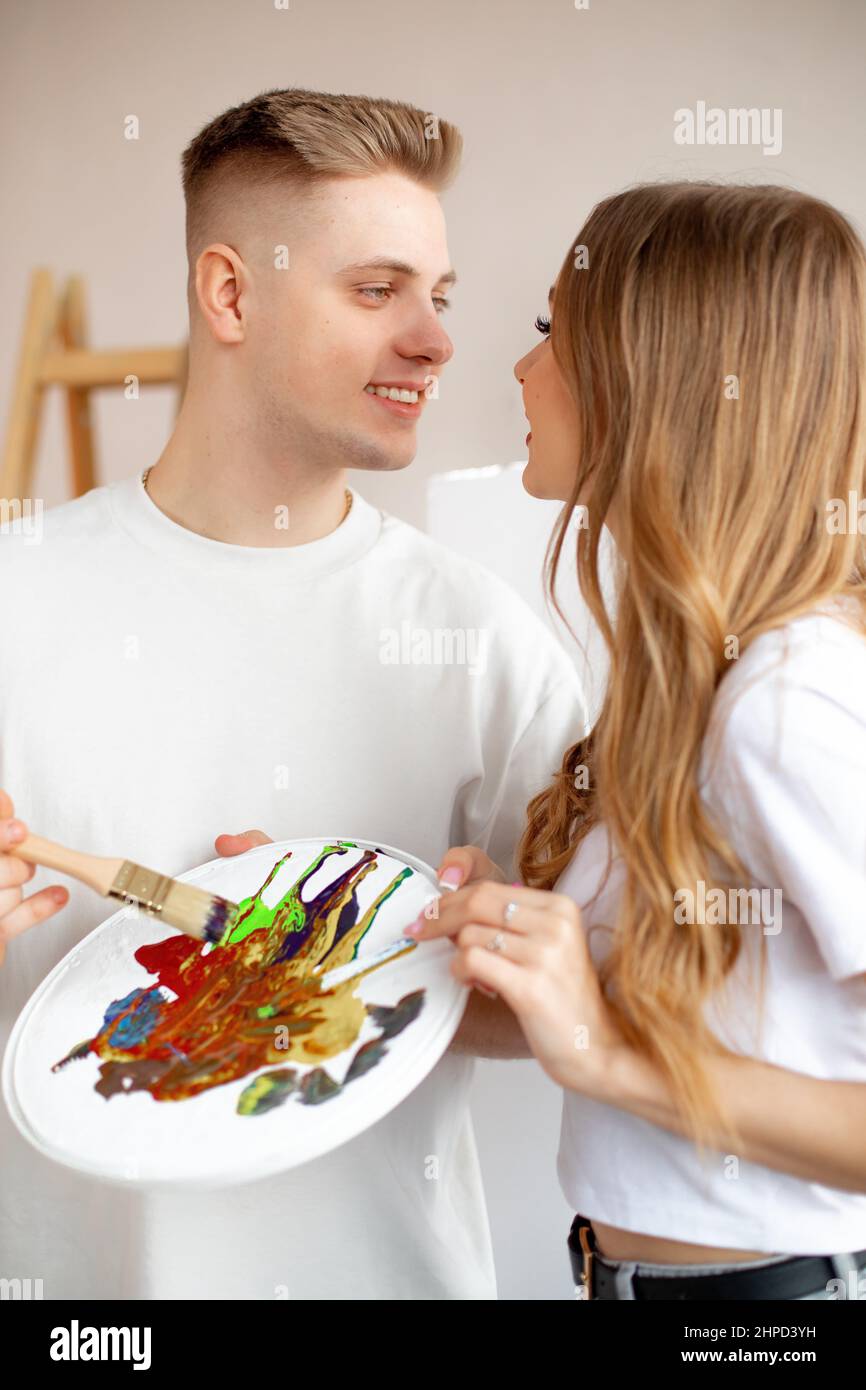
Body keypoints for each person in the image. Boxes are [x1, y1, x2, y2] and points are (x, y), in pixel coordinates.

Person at [0, 88, 587, 1300]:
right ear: (230, 294)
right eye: (377, 292)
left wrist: (345, 955)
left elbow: (578, 1006)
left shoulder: (481, 641)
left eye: (440, 296)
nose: (433, 339)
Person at [414, 181, 866, 1301]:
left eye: (545, 337)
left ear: (652, 381)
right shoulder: (699, 680)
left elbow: (610, 1052)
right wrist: (460, 946)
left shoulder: (784, 701)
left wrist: (604, 1057)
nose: (519, 373)